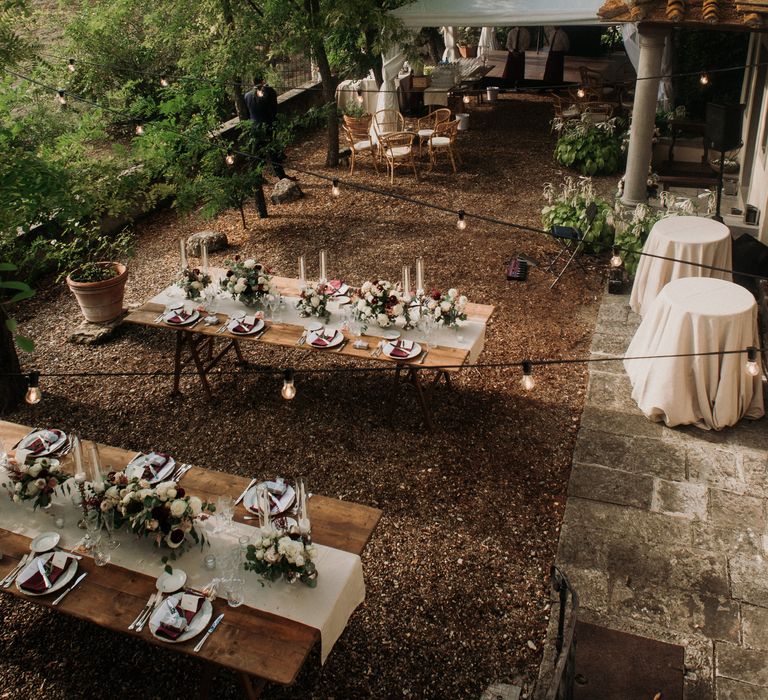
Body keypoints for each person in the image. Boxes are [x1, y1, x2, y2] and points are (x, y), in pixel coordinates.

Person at [244, 76, 292, 217]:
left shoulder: (247, 96)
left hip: (254, 127)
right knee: (272, 151)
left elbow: (247, 113)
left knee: (257, 154)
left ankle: (258, 176)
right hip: (266, 126)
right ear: (263, 80)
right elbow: (273, 109)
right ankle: (280, 176)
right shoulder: (269, 93)